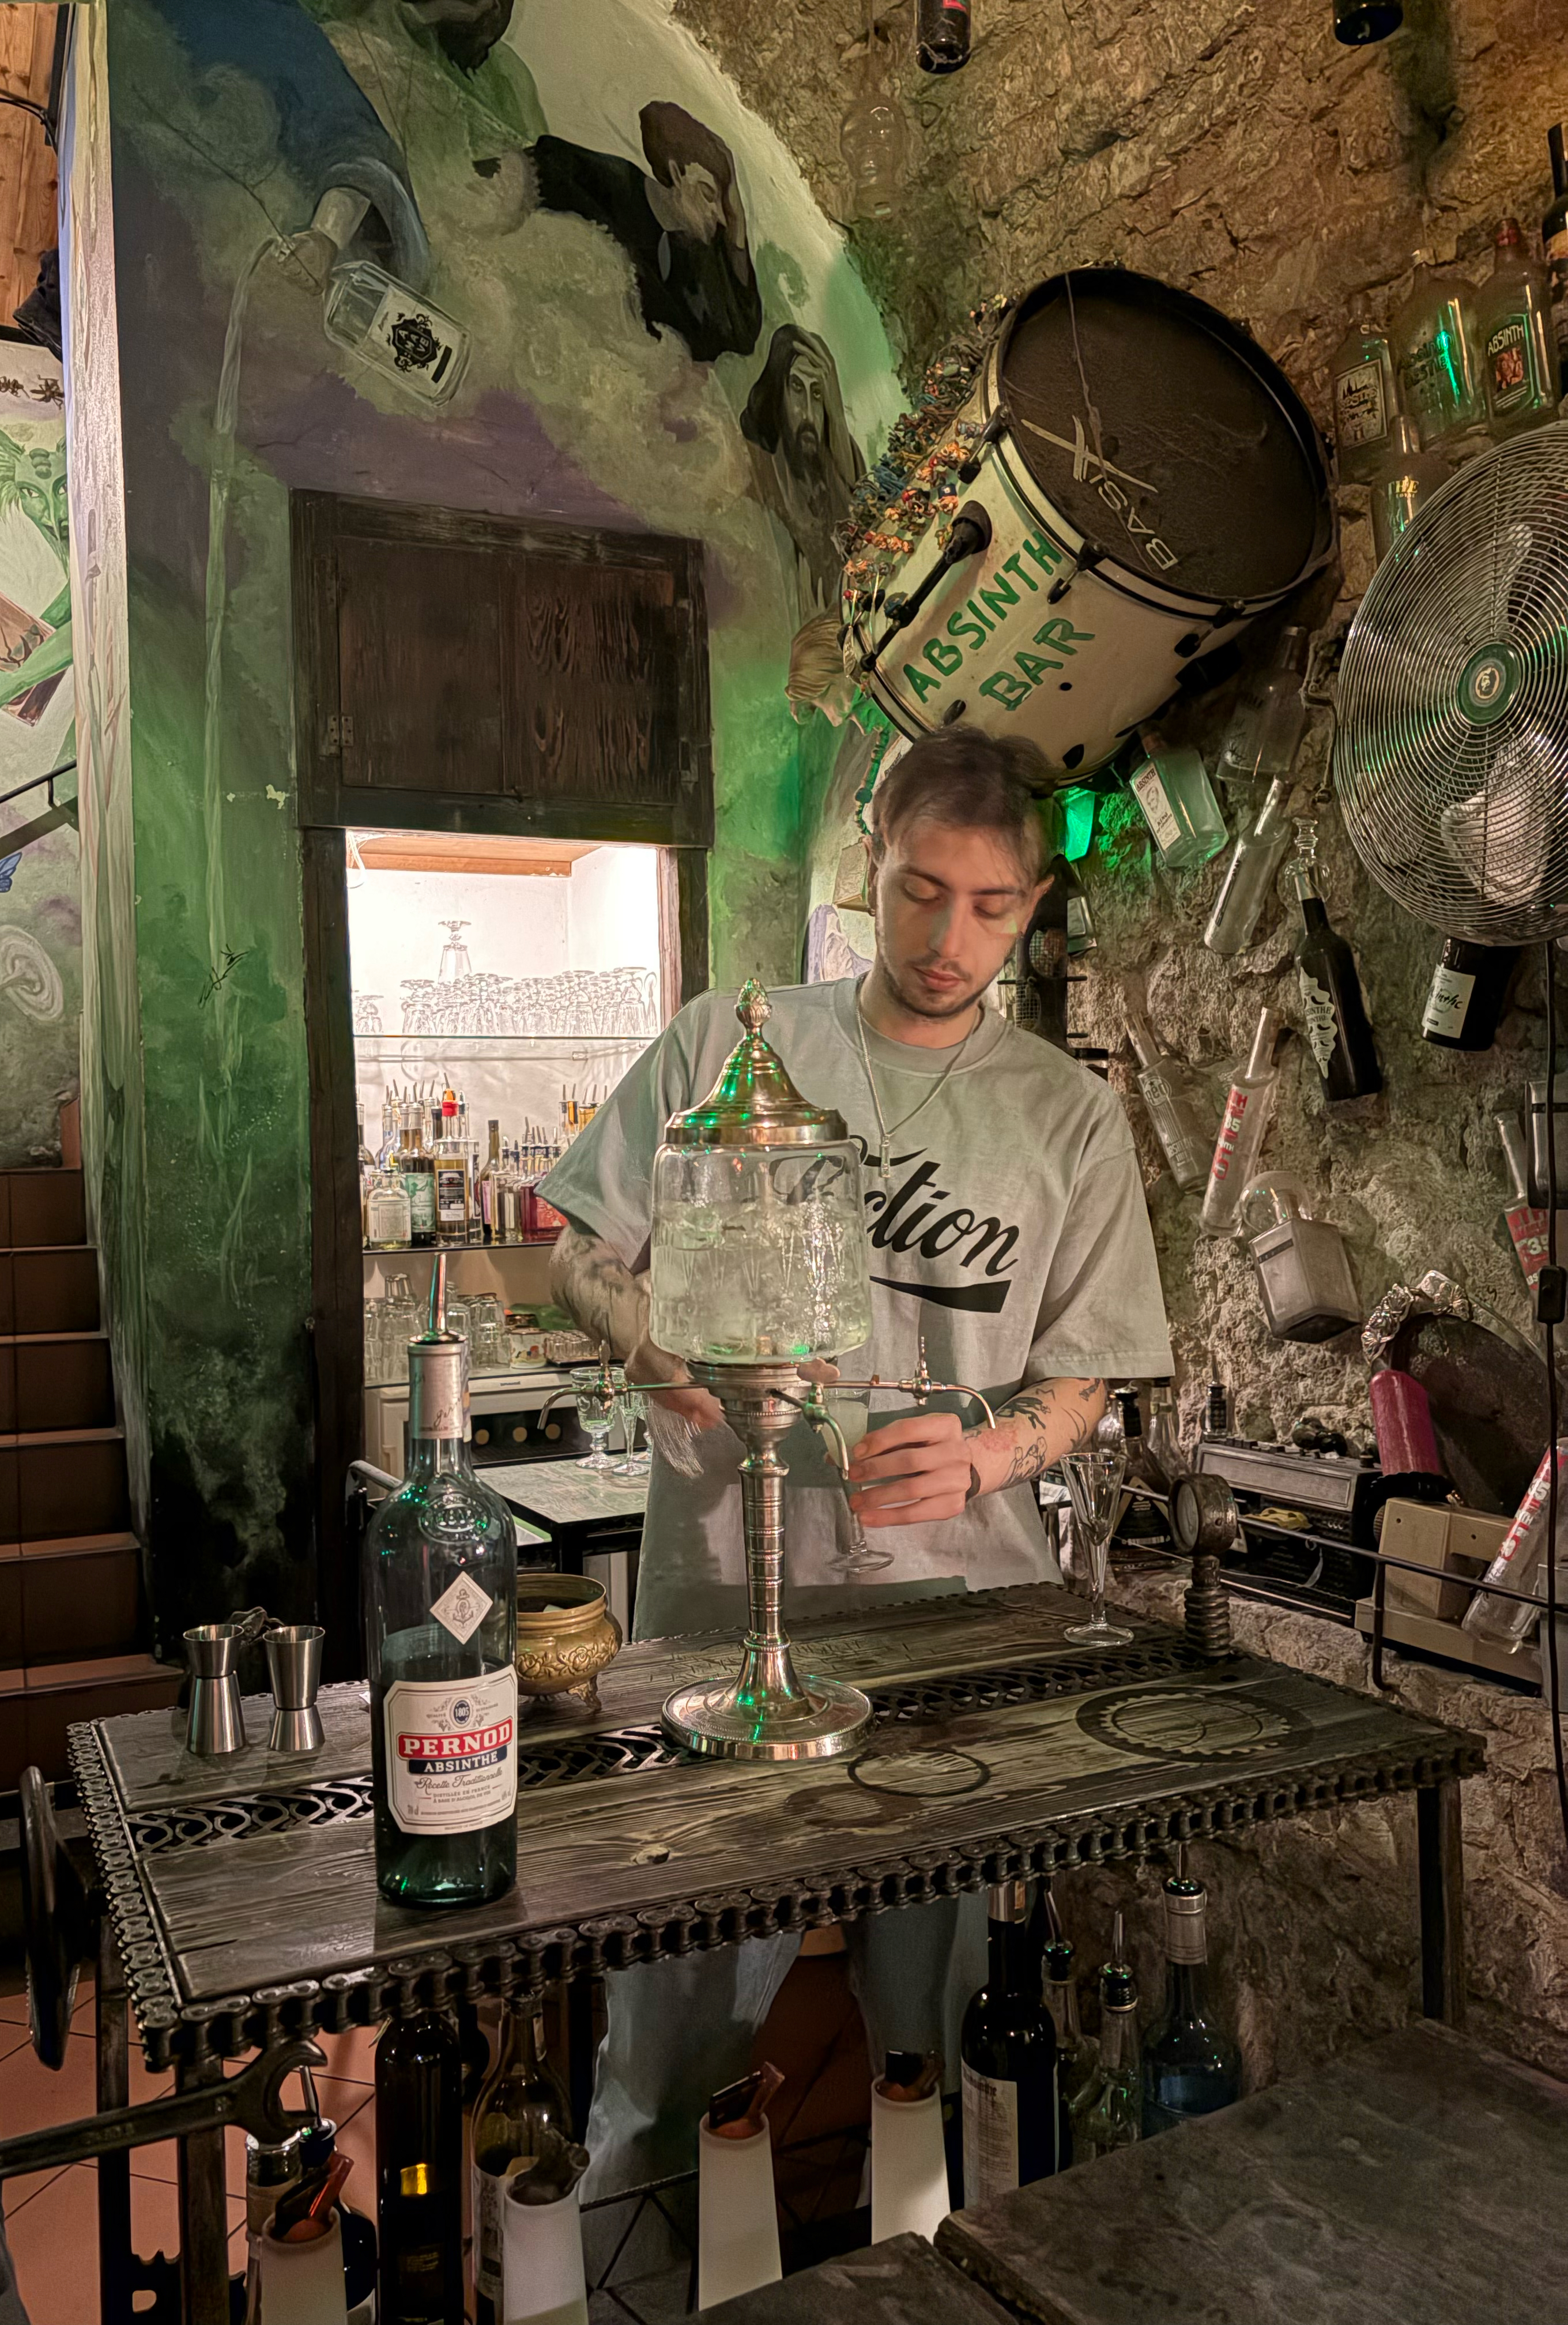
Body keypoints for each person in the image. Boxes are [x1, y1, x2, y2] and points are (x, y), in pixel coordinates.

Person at [540, 727, 1173, 2192]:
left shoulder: (1067, 1115)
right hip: (724, 1612)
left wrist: (994, 1452)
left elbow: (1090, 1375)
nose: (951, 939)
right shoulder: (729, 1039)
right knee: (668, 2036)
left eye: (993, 907)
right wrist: (662, 1342)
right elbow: (575, 1251)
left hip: (959, 1633)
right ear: (866, 872)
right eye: (918, 892)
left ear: (1034, 903)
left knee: (952, 2043)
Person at [526, 101, 762, 365]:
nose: (718, 215)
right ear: (675, 173)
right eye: (708, 194)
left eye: (724, 205)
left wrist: (737, 221)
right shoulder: (604, 181)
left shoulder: (697, 253)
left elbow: (740, 337)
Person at [740, 326, 863, 618]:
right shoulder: (757, 467)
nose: (808, 413)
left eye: (818, 394)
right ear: (778, 392)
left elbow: (864, 512)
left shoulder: (838, 462)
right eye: (797, 389)